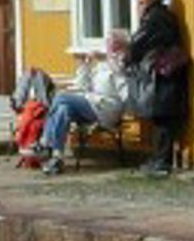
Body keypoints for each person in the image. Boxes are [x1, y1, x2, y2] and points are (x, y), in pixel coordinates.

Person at [36, 30, 131, 175]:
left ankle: (44, 141)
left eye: (111, 42)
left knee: (61, 97)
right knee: (63, 109)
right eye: (108, 41)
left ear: (119, 45)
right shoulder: (102, 64)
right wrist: (85, 65)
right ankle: (57, 157)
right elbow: (83, 86)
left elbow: (126, 92)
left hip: (106, 108)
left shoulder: (122, 64)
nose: (107, 45)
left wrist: (110, 62)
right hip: (92, 104)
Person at [124, 0, 187, 174]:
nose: (138, 4)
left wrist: (128, 55)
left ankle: (162, 161)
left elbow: (140, 42)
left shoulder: (155, 17)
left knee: (162, 116)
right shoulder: (161, 15)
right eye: (138, 0)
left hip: (163, 73)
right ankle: (159, 159)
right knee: (161, 116)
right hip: (164, 71)